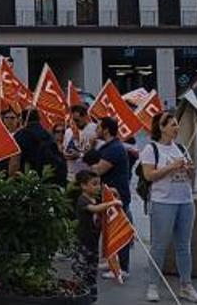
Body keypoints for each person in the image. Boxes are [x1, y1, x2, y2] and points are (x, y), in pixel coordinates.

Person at [140, 113, 197, 303]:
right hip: (162, 202)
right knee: (159, 245)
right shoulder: (151, 149)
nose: (177, 128)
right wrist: (171, 167)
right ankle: (153, 285)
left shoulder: (181, 148)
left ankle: (186, 285)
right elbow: (149, 175)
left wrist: (189, 170)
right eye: (173, 125)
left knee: (184, 245)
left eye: (177, 125)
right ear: (162, 127)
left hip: (185, 201)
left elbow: (191, 178)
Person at [84, 117, 133, 278]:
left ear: (105, 129)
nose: (96, 129)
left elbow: (98, 170)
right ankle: (111, 260)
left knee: (119, 227)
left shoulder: (115, 148)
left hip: (117, 195)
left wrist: (90, 160)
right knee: (108, 228)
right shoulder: (107, 146)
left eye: (98, 127)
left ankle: (122, 268)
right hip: (108, 195)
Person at [75, 169, 121, 296]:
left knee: (92, 269)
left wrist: (113, 195)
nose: (98, 187)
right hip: (83, 241)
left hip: (93, 242)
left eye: (99, 184)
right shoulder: (83, 200)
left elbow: (105, 205)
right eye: (94, 184)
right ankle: (81, 292)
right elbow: (94, 209)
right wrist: (111, 202)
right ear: (83, 186)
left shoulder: (96, 198)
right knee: (83, 269)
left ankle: (90, 292)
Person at [11, 109, 67, 186]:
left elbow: (14, 162)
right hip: (46, 180)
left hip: (26, 181)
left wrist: (11, 182)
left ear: (22, 120)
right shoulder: (48, 134)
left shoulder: (20, 135)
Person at [63, 105, 97, 178]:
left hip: (87, 174)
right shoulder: (69, 131)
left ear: (85, 117)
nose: (75, 123)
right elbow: (65, 149)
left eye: (77, 120)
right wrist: (67, 154)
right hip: (71, 174)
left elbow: (94, 154)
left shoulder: (95, 130)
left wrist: (79, 155)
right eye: (73, 120)